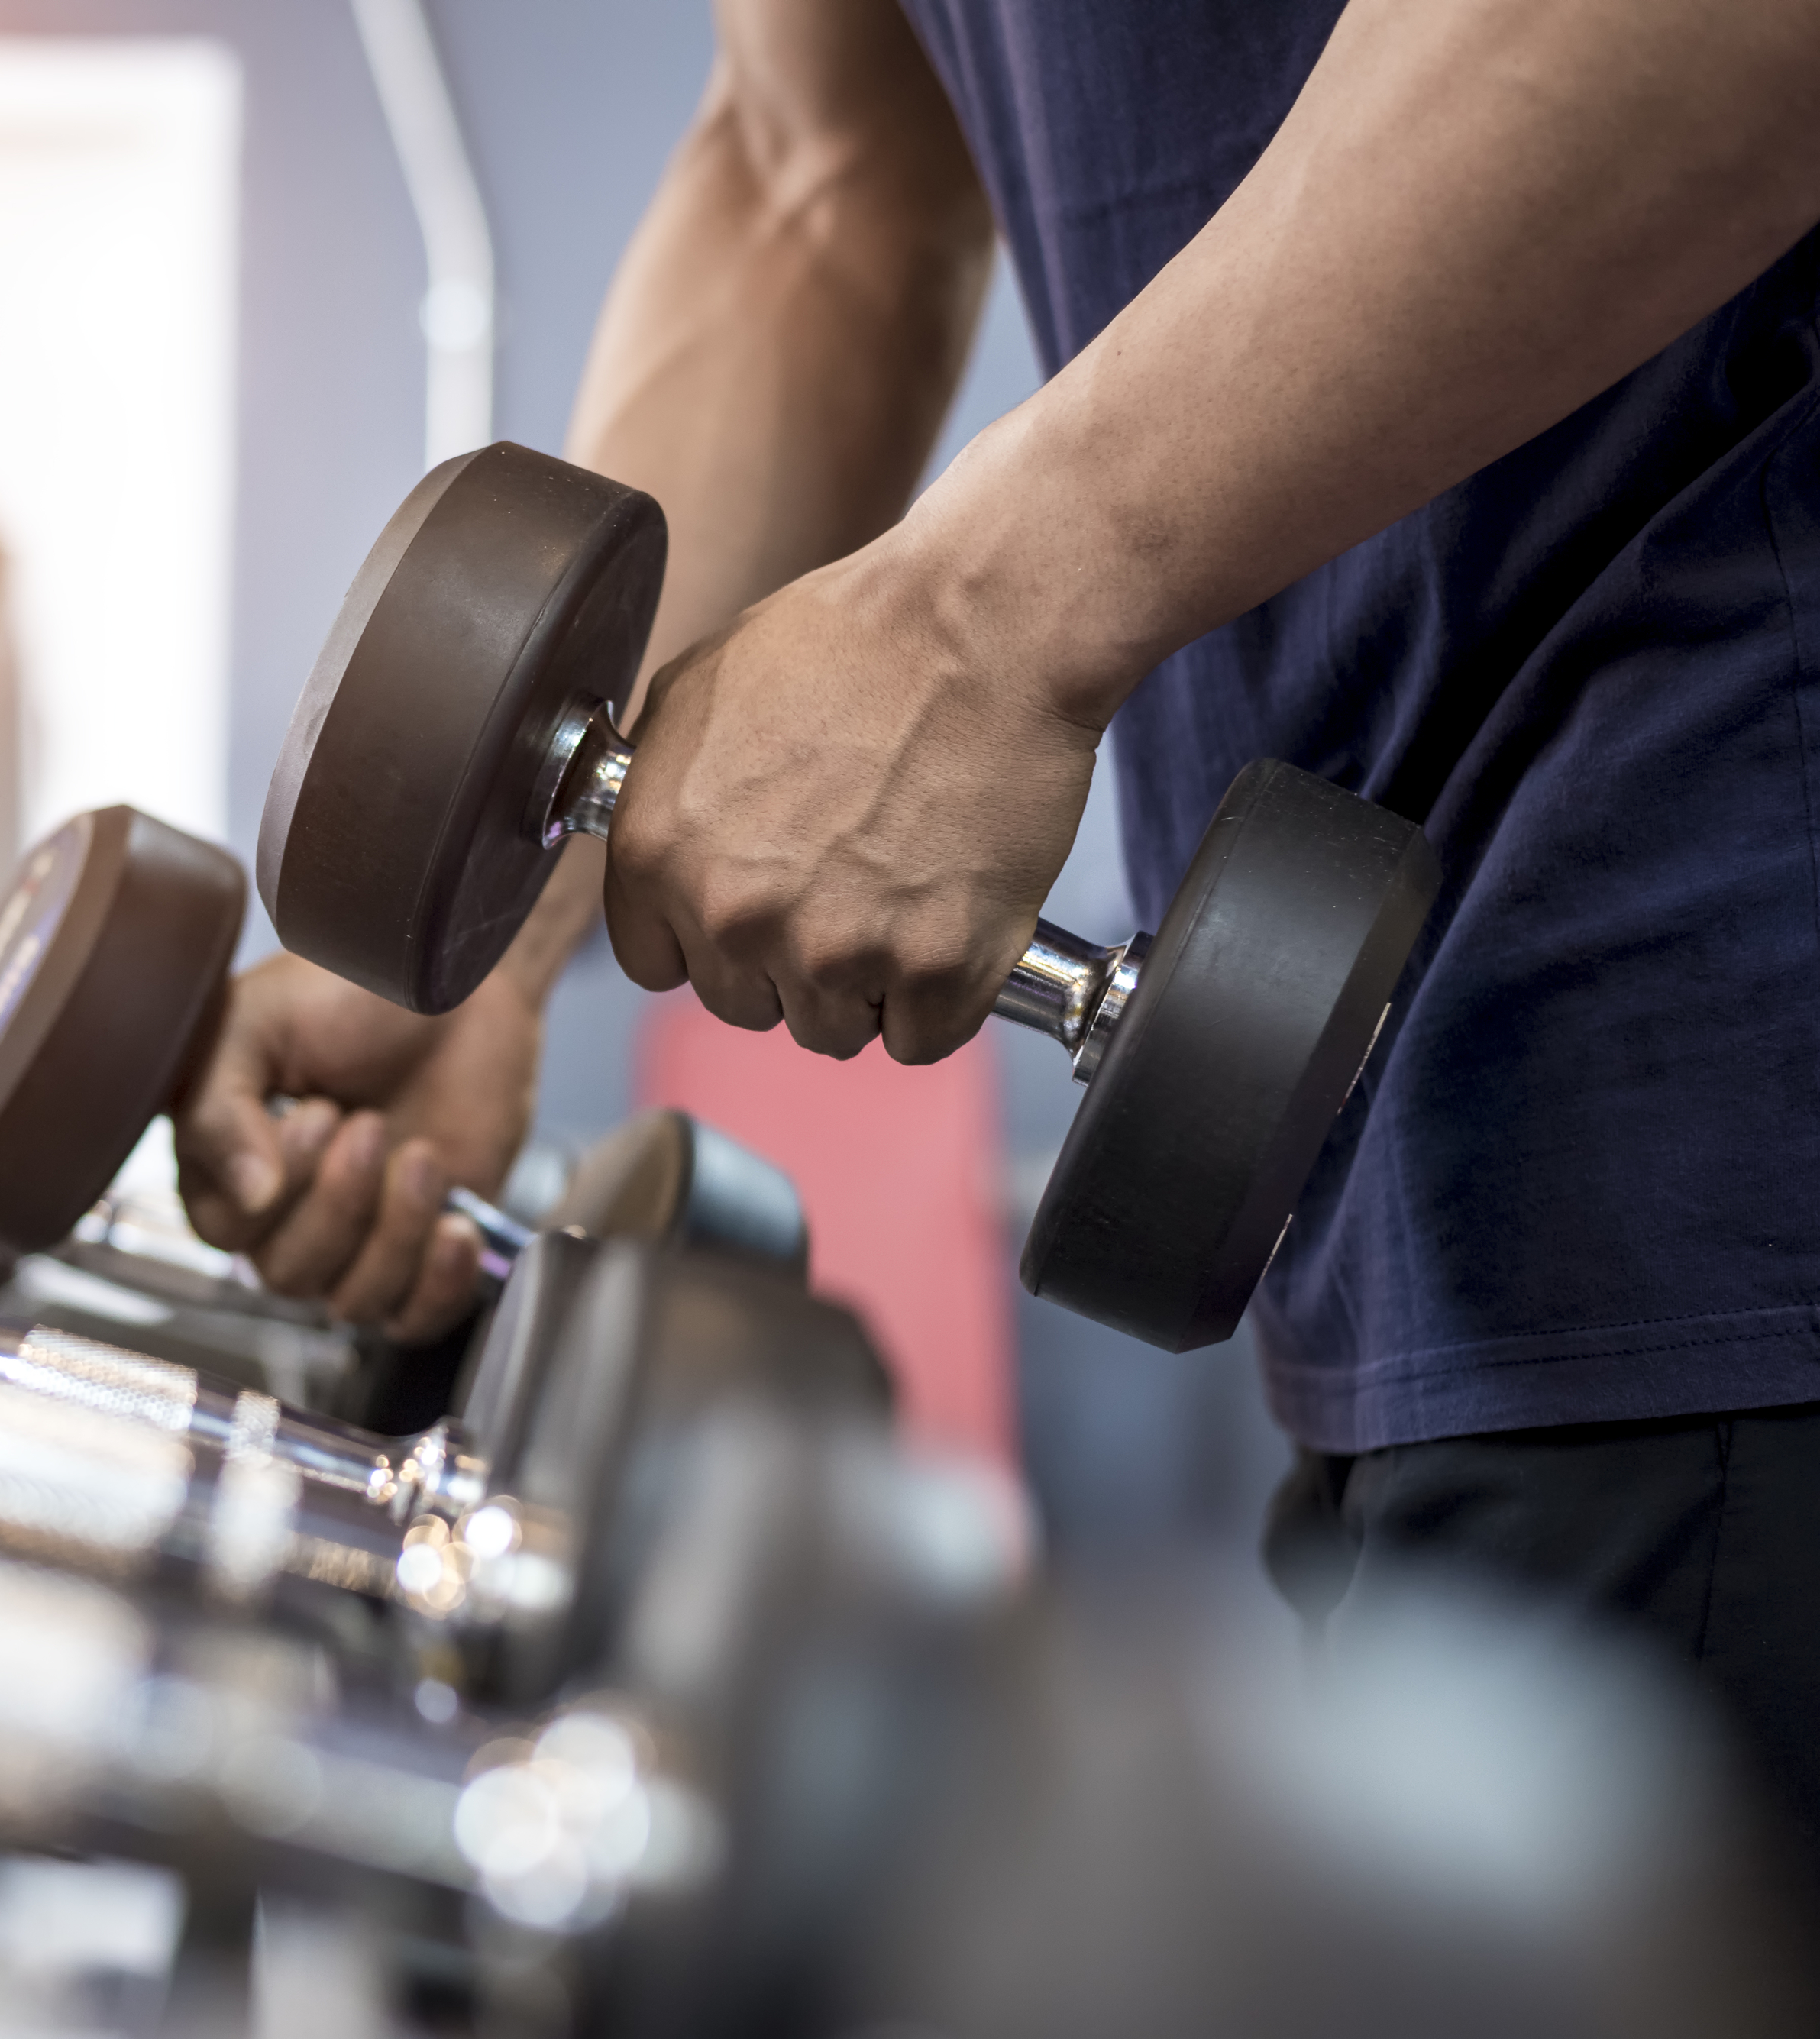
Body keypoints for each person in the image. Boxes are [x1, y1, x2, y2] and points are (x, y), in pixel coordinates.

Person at [174, 0, 1820, 1937]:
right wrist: (504, 928)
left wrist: (982, 614)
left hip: (1719, 1051)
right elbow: (818, 182)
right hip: (1410, 1188)